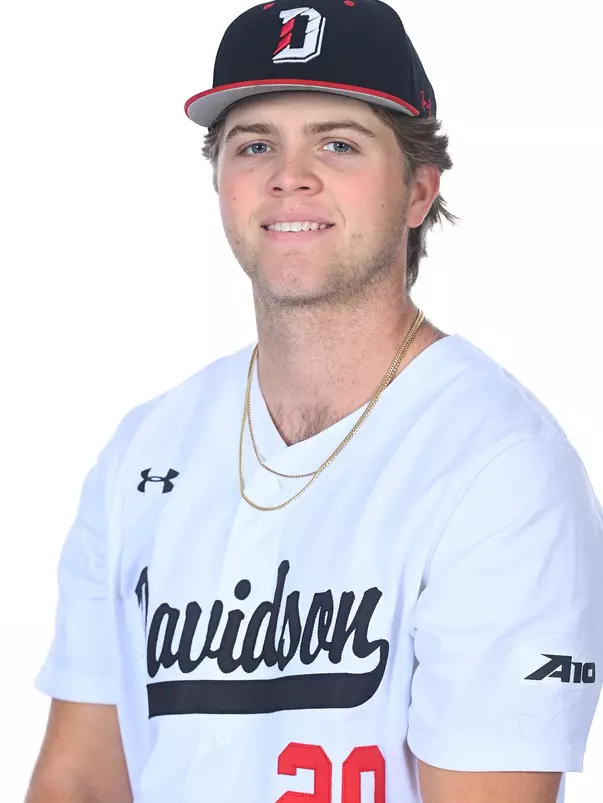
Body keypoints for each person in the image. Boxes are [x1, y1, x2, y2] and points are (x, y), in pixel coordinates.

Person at [25, 1, 603, 802]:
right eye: (254, 144)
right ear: (221, 182)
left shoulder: (499, 467)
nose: (288, 175)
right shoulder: (145, 448)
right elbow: (83, 778)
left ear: (418, 191)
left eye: (338, 143)